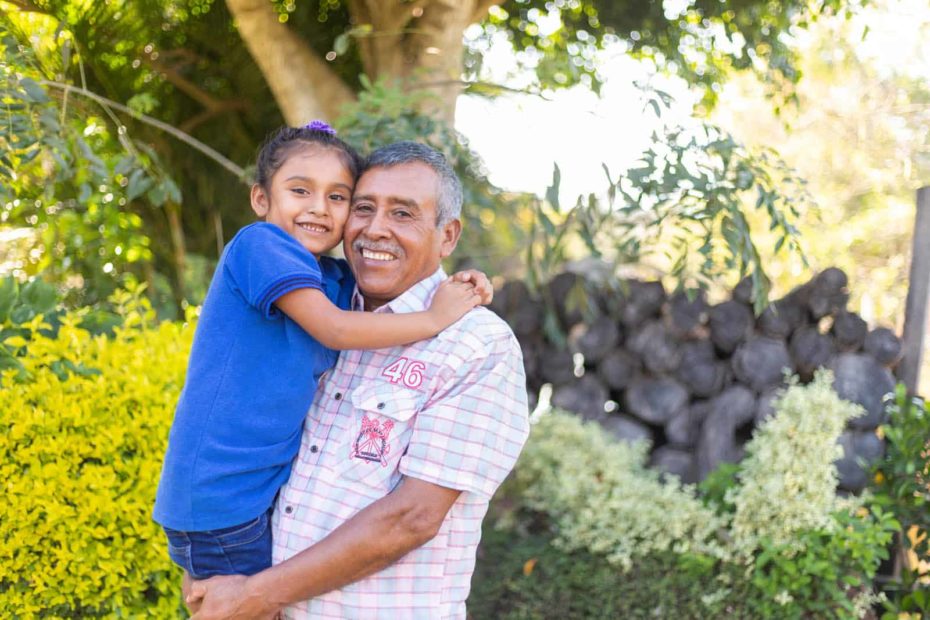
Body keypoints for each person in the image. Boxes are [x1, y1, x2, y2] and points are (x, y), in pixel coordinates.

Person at [186, 141, 531, 619]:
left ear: (447, 236)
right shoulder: (319, 308)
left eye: (403, 214)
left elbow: (411, 518)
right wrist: (210, 545)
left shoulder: (477, 346)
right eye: (363, 207)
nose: (375, 229)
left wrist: (256, 595)